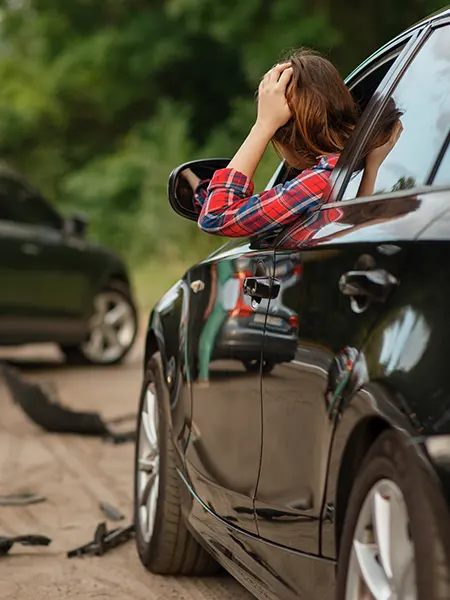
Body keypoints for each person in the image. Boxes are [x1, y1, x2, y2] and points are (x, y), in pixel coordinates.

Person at [182, 48, 402, 238]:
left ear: (284, 136)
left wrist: (262, 126)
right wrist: (372, 169)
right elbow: (357, 229)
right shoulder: (350, 169)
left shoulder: (321, 180)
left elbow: (216, 216)